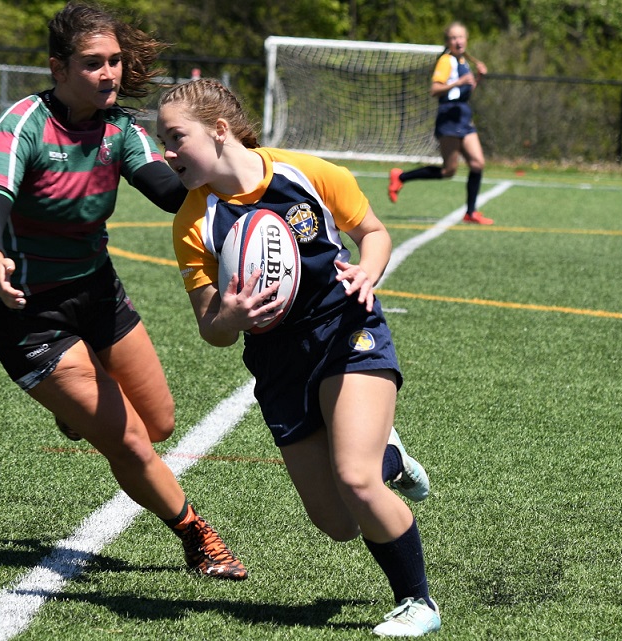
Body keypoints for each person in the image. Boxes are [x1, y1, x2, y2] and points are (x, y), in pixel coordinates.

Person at [0, 2, 247, 581]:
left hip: (96, 293)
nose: (110, 74)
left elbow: (171, 194)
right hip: (28, 312)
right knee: (130, 443)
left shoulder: (120, 128)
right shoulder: (24, 123)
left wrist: (236, 177)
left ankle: (77, 415)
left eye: (116, 62)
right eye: (94, 63)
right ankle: (198, 538)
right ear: (59, 67)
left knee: (160, 424)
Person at [157, 78, 440, 636]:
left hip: (347, 330)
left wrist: (369, 269)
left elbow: (373, 232)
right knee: (337, 522)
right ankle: (392, 459)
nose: (165, 153)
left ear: (218, 131)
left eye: (174, 137)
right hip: (279, 363)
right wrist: (231, 316)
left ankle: (418, 603)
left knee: (356, 480)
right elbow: (212, 330)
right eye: (160, 139)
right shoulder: (194, 222)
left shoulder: (306, 172)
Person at [388, 21, 493, 225]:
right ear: (448, 41)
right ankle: (401, 177)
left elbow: (463, 93)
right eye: (453, 38)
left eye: (460, 37)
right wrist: (459, 82)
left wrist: (477, 78)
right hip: (448, 117)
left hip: (463, 114)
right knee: (448, 171)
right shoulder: (446, 61)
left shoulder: (463, 61)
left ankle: (471, 212)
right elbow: (435, 89)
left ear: (466, 39)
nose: (457, 41)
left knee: (478, 163)